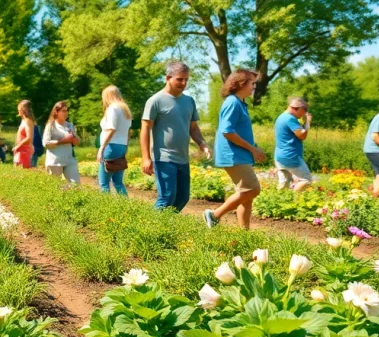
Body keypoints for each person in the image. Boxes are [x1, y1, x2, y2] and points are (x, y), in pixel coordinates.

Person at [141, 60, 211, 211]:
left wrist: (202, 143)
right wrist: (146, 158)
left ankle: (166, 227)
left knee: (182, 197)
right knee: (167, 197)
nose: (183, 83)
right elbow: (145, 129)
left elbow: (193, 128)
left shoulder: (189, 101)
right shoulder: (155, 101)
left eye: (186, 79)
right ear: (168, 78)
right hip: (163, 158)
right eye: (179, 79)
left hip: (183, 158)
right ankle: (151, 229)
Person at [203, 70, 266, 229]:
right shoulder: (233, 102)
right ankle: (215, 214)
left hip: (239, 154)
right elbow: (227, 131)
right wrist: (252, 149)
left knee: (246, 196)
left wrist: (254, 148)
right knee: (252, 189)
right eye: (252, 83)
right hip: (233, 155)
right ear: (240, 83)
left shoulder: (240, 103)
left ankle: (243, 232)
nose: (254, 87)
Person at [97, 85, 132, 195]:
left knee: (104, 183)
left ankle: (105, 208)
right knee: (118, 182)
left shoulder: (112, 108)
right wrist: (126, 146)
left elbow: (111, 129)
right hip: (121, 146)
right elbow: (128, 132)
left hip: (111, 146)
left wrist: (102, 148)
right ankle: (126, 206)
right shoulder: (125, 109)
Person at [273, 97, 313, 192]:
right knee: (306, 180)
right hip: (290, 156)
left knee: (284, 183)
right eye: (305, 110)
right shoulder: (290, 119)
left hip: (280, 156)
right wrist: (307, 122)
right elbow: (302, 135)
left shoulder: (282, 117)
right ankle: (294, 201)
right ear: (297, 108)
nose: (305, 113)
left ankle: (278, 203)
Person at [43, 101, 81, 184]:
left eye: (66, 111)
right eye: (63, 111)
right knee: (54, 187)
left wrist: (74, 139)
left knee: (76, 184)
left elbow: (77, 142)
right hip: (55, 162)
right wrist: (62, 141)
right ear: (56, 112)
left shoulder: (70, 125)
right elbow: (45, 143)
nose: (66, 113)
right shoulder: (50, 126)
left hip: (69, 160)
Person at [13, 100, 36, 169]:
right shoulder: (23, 120)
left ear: (23, 109)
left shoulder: (28, 121)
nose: (18, 110)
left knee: (22, 173)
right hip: (20, 151)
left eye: (19, 109)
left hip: (25, 152)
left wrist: (17, 146)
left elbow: (29, 138)